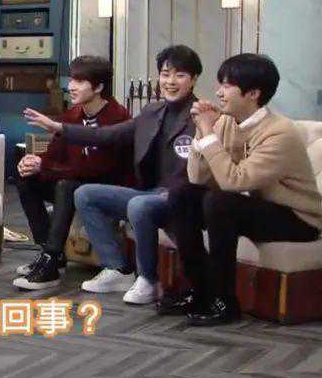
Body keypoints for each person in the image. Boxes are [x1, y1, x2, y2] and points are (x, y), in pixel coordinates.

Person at [24, 44, 202, 305]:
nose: (170, 82)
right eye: (165, 75)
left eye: (180, 75)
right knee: (84, 194)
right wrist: (59, 127)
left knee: (140, 204)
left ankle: (148, 280)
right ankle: (117, 269)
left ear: (194, 79)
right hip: (148, 191)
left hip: (180, 195)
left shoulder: (202, 116)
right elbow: (107, 135)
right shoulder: (152, 112)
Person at [165, 54, 321, 325]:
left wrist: (208, 133)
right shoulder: (227, 121)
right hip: (257, 206)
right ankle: (199, 291)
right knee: (183, 194)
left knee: (220, 203)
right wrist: (204, 131)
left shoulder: (279, 133)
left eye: (227, 86)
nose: (218, 92)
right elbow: (196, 176)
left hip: (298, 218)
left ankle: (224, 302)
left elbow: (233, 182)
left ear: (253, 94)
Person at [13, 56, 132, 290]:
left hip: (107, 187)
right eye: (72, 80)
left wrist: (45, 167)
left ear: (98, 87)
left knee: (66, 185)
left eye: (79, 81)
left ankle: (51, 259)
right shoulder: (74, 114)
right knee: (26, 178)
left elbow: (98, 169)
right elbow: (55, 154)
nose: (71, 86)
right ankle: (49, 252)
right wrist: (35, 161)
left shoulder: (118, 117)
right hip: (76, 181)